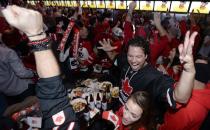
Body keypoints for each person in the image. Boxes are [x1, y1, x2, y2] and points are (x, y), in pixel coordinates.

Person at [98, 26, 197, 126]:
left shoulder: (153, 77)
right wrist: (108, 51)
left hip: (134, 123)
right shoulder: (125, 61)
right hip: (119, 111)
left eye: (138, 56)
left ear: (146, 56)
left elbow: (180, 98)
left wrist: (188, 71)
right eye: (130, 56)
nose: (133, 60)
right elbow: (116, 57)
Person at [1, 5, 79, 129]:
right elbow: (54, 96)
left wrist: (36, 35)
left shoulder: (11, 51)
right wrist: (36, 35)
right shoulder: (9, 52)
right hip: (23, 86)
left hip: (8, 89)